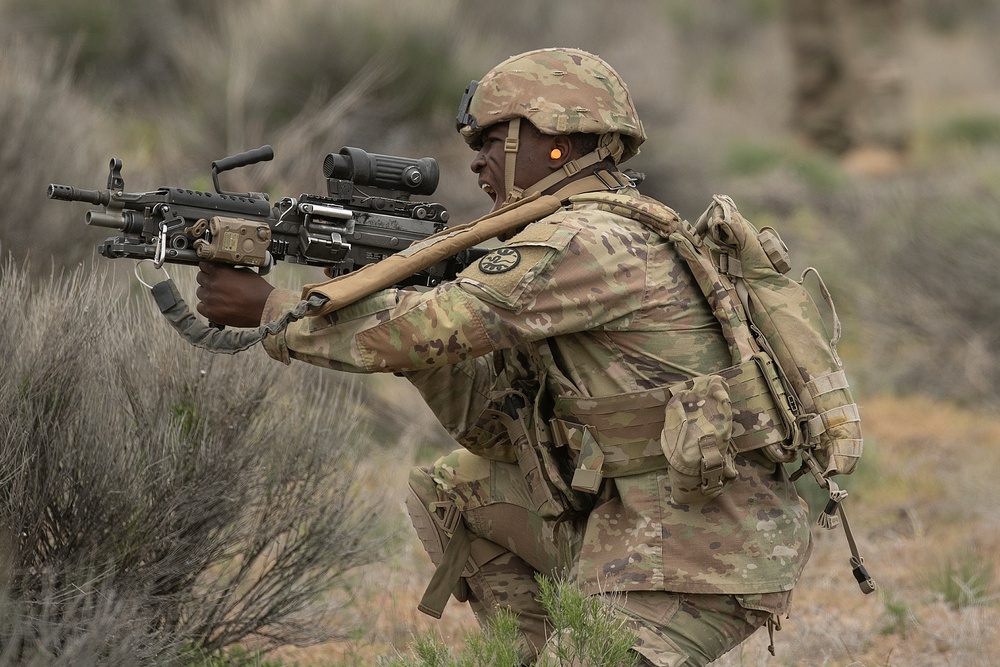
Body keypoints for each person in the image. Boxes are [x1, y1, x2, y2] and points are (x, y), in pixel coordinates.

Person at [196, 48, 813, 666]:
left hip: (703, 549)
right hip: (641, 518)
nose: (477, 160)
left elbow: (433, 326)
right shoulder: (602, 228)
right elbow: (495, 431)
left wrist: (273, 308)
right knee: (456, 492)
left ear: (555, 142)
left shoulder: (584, 241)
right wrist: (397, 316)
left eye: (495, 139)